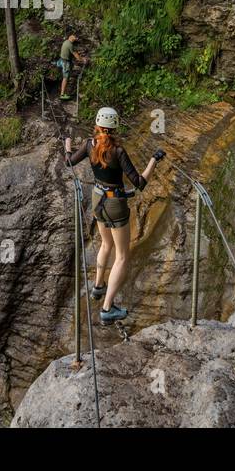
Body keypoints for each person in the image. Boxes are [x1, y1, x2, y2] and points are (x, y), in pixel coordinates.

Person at [66, 107, 164, 324]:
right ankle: (107, 308)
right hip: (115, 204)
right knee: (121, 256)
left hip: (97, 199)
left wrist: (67, 148)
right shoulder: (118, 151)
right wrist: (154, 160)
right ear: (115, 126)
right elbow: (139, 183)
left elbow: (69, 162)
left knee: (105, 244)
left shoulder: (89, 144)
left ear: (97, 123)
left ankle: (98, 286)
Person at [57, 33, 86, 101]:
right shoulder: (70, 45)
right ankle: (62, 94)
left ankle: (60, 66)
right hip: (66, 63)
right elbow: (77, 57)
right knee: (65, 77)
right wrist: (83, 60)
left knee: (67, 72)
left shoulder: (66, 41)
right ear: (73, 38)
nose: (77, 39)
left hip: (62, 60)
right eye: (76, 38)